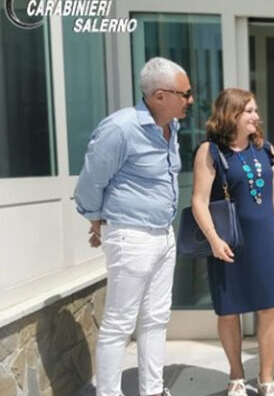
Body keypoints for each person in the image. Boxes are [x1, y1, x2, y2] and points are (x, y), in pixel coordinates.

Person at [75, 56, 193, 396]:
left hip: (162, 234)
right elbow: (91, 181)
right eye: (184, 93)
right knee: (119, 324)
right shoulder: (121, 128)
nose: (190, 100)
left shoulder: (172, 128)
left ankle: (152, 390)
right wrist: (96, 217)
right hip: (131, 235)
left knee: (156, 319)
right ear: (159, 96)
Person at [191, 88, 274, 396]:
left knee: (270, 308)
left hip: (264, 241)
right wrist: (213, 240)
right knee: (228, 311)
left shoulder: (266, 149)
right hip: (227, 243)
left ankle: (266, 379)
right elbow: (198, 201)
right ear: (231, 114)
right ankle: (236, 375)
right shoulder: (209, 152)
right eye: (249, 110)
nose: (256, 116)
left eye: (255, 110)